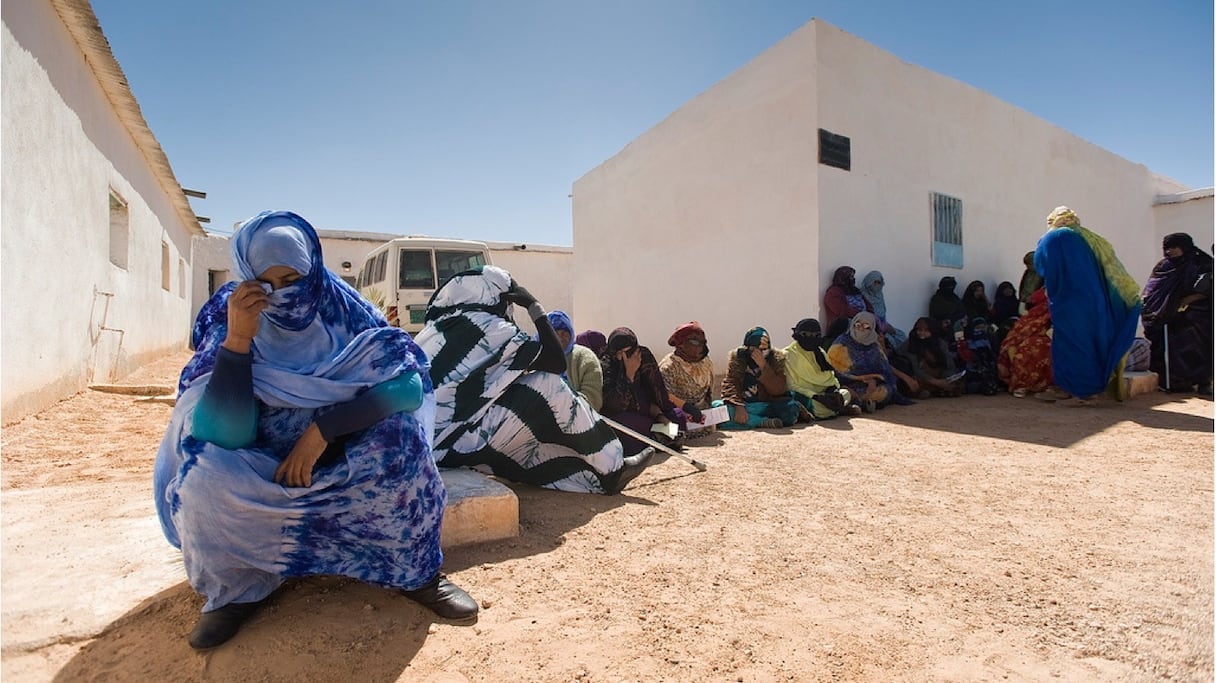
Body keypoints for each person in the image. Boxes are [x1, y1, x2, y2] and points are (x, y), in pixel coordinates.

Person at [152, 211, 477, 651]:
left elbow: (406, 386)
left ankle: (414, 574)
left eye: (293, 279)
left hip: (342, 449)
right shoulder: (228, 318)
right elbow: (222, 431)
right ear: (246, 279)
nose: (284, 295)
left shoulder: (344, 310)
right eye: (266, 285)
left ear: (313, 268)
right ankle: (237, 591)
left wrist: (322, 431)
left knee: (401, 444)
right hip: (259, 459)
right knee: (205, 475)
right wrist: (239, 342)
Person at [415, 266, 652, 494]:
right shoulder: (490, 327)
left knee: (526, 423)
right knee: (547, 385)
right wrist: (533, 306)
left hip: (429, 445)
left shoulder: (434, 330)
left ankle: (586, 476)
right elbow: (555, 364)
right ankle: (612, 469)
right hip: (454, 443)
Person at [1033, 206, 1141, 405]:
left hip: (1070, 301)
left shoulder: (1055, 237)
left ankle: (1078, 391)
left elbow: (1043, 265)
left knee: (1071, 344)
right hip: (1096, 301)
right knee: (1090, 343)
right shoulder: (1091, 239)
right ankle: (1082, 389)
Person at [1140, 232, 1213, 393]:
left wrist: (1191, 299)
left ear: (1184, 247)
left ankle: (1203, 382)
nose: (1169, 252)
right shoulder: (1164, 266)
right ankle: (1175, 382)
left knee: (1199, 350)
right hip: (1169, 317)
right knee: (1170, 350)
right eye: (1166, 248)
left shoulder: (1202, 263)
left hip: (1197, 317)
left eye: (1174, 247)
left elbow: (1209, 287)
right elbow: (1152, 289)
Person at [600, 327, 688, 453]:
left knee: (677, 417)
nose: (621, 358)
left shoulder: (644, 358)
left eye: (627, 352)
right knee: (626, 426)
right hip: (624, 418)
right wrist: (629, 374)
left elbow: (655, 394)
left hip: (649, 415)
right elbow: (614, 406)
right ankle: (658, 439)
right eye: (618, 353)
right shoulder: (607, 365)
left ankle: (658, 437)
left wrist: (661, 417)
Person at [719, 327, 804, 428]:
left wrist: (764, 366)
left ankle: (747, 420)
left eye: (763, 350)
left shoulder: (775, 359)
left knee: (789, 410)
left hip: (766, 405)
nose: (759, 353)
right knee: (718, 410)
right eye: (755, 350)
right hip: (744, 405)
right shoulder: (739, 358)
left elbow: (779, 389)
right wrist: (738, 406)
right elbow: (730, 383)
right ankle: (761, 422)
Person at [827, 312, 906, 412]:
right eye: (858, 325)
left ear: (872, 328)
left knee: (886, 390)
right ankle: (860, 403)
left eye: (866, 326)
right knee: (845, 392)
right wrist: (863, 379)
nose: (861, 329)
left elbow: (884, 368)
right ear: (853, 324)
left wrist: (874, 380)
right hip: (848, 384)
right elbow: (834, 371)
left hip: (872, 385)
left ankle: (861, 403)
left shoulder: (874, 345)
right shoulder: (841, 344)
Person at [783, 318, 860, 418]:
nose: (812, 338)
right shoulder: (788, 354)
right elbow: (792, 386)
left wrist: (833, 391)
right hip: (807, 395)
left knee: (845, 394)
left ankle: (836, 407)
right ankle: (840, 409)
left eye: (816, 336)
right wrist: (817, 397)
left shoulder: (820, 353)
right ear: (797, 335)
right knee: (816, 407)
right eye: (806, 335)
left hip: (825, 394)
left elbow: (831, 378)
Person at [997, 287, 1054, 397]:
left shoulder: (1057, 310)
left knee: (1031, 349)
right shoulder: (1035, 313)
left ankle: (1030, 384)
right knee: (1013, 345)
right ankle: (1019, 383)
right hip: (1033, 336)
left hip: (1049, 337)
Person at [658, 322, 714, 430]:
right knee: (676, 424)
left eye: (702, 342)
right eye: (694, 342)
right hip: (680, 410)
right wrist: (687, 408)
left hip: (701, 410)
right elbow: (665, 397)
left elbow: (708, 393)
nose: (700, 347)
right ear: (681, 344)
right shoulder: (669, 367)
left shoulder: (706, 362)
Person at [543, 310, 604, 410]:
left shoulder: (584, 358)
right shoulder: (536, 360)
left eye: (564, 333)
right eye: (554, 333)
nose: (560, 338)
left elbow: (593, 399)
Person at [898, 317, 964, 397]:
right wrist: (937, 382)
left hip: (939, 376)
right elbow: (916, 369)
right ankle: (934, 390)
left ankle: (938, 390)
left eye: (926, 331)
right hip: (919, 376)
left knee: (958, 383)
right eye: (919, 330)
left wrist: (946, 380)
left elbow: (949, 365)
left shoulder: (940, 344)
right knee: (912, 384)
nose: (922, 333)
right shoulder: (910, 344)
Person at [860, 270, 908, 350]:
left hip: (884, 324)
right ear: (868, 282)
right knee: (890, 341)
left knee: (902, 336)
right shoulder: (861, 295)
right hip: (871, 327)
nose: (877, 285)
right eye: (874, 282)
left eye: (879, 283)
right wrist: (881, 326)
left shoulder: (879, 295)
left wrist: (886, 325)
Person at [823, 266, 874, 333]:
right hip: (844, 329)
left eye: (853, 277)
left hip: (864, 324)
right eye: (851, 277)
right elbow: (842, 310)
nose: (853, 279)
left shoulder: (855, 290)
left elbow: (869, 306)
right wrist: (862, 315)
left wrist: (871, 317)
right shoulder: (833, 292)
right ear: (843, 278)